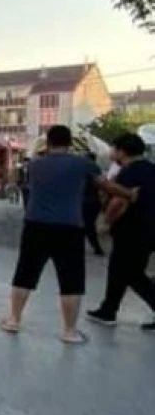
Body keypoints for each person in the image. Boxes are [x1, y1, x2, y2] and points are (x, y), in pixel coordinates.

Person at [0, 125, 138, 344]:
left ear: (48, 142)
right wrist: (130, 194)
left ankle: (13, 321)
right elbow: (107, 186)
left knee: (25, 273)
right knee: (71, 279)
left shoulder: (35, 165)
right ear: (70, 143)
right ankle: (69, 331)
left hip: (35, 225)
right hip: (69, 228)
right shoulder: (83, 164)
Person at [86, 133, 155, 330]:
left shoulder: (130, 172)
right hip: (148, 229)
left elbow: (120, 200)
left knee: (132, 274)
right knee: (118, 270)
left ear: (122, 151)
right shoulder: (150, 169)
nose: (111, 152)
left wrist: (106, 221)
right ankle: (108, 309)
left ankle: (109, 309)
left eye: (114, 148)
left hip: (133, 230)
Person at [81, 152, 106, 256]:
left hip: (87, 202)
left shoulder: (89, 169)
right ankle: (96, 248)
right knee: (88, 226)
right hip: (93, 201)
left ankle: (97, 248)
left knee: (88, 226)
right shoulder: (95, 169)